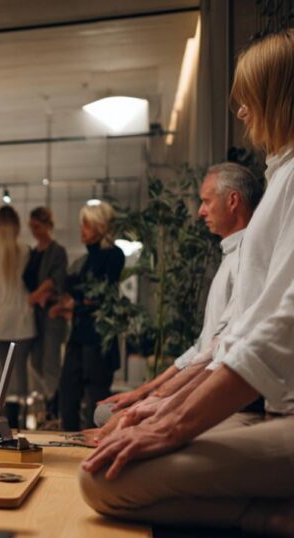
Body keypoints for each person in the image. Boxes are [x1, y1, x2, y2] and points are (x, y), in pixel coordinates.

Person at [78, 29, 294, 538]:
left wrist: (172, 420)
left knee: (104, 481)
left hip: (276, 410)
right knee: (119, 431)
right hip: (267, 406)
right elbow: (228, 343)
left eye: (249, 99)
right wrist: (162, 406)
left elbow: (278, 328)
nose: (242, 113)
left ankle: (269, 515)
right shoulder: (281, 173)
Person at [92, 163, 262, 434]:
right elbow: (203, 347)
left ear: (232, 201)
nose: (200, 211)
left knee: (108, 415)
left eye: (206, 201)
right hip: (205, 377)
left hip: (225, 393)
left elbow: (217, 354)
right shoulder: (231, 256)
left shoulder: (248, 259)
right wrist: (145, 391)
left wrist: (160, 400)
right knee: (106, 411)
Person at [51, 203, 125, 431]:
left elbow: (102, 296)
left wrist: (77, 304)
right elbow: (84, 297)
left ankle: (94, 446)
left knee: (96, 396)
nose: (82, 230)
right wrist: (77, 305)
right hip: (80, 333)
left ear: (100, 227)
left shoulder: (113, 255)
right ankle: (69, 443)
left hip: (98, 336)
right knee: (67, 390)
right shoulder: (85, 261)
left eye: (87, 225)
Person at [0, 206, 35, 429]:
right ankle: (19, 421)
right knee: (19, 374)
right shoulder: (26, 251)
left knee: (3, 377)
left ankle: (4, 425)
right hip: (24, 321)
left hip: (2, 323)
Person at [23, 207, 68, 422]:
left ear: (47, 226)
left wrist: (36, 295)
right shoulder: (32, 253)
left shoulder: (57, 251)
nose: (34, 231)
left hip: (50, 314)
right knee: (36, 361)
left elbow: (54, 280)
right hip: (35, 316)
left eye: (37, 227)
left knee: (50, 362)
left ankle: (54, 409)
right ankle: (46, 403)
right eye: (31, 227)